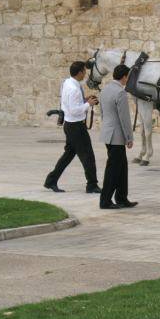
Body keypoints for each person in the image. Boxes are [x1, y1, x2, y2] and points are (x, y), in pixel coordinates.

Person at [44, 61, 100, 193]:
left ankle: (51, 180)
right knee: (88, 156)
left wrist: (85, 100)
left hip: (70, 125)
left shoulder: (67, 83)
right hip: (76, 127)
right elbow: (75, 110)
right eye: (84, 72)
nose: (85, 74)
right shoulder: (74, 88)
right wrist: (88, 104)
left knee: (68, 155)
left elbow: (70, 104)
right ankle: (92, 185)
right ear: (80, 72)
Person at [98, 64, 138, 209]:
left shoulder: (105, 90)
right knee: (113, 169)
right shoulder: (120, 92)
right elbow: (124, 118)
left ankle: (121, 197)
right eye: (128, 77)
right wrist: (129, 137)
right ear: (124, 77)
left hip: (107, 133)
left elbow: (102, 112)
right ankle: (105, 200)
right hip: (117, 136)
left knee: (121, 167)